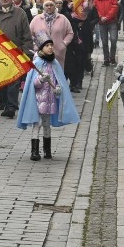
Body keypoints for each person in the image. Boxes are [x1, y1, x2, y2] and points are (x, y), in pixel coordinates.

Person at [16, 32, 80, 161]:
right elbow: (32, 83)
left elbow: (59, 80)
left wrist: (57, 89)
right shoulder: (37, 63)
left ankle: (47, 150)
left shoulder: (54, 62)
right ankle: (34, 151)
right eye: (47, 45)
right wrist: (41, 79)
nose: (50, 47)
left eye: (51, 45)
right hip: (38, 101)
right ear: (41, 48)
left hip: (50, 101)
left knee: (46, 124)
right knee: (37, 124)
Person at [0, 0, 33, 118]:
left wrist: (26, 53)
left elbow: (27, 35)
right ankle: (3, 102)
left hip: (15, 52)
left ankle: (11, 106)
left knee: (14, 81)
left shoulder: (20, 13)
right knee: (2, 80)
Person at [29, 0, 73, 68]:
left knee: (57, 76)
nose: (49, 7)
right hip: (41, 54)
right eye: (47, 5)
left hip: (58, 54)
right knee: (43, 76)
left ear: (54, 6)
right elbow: (30, 34)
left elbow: (70, 33)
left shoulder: (62, 18)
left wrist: (64, 43)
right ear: (43, 7)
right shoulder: (36, 19)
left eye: (51, 5)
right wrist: (35, 45)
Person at [94, 0, 119, 65]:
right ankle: (106, 59)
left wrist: (107, 17)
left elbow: (114, 7)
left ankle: (112, 58)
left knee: (113, 40)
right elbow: (95, 9)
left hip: (112, 22)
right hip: (102, 23)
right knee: (104, 42)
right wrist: (100, 17)